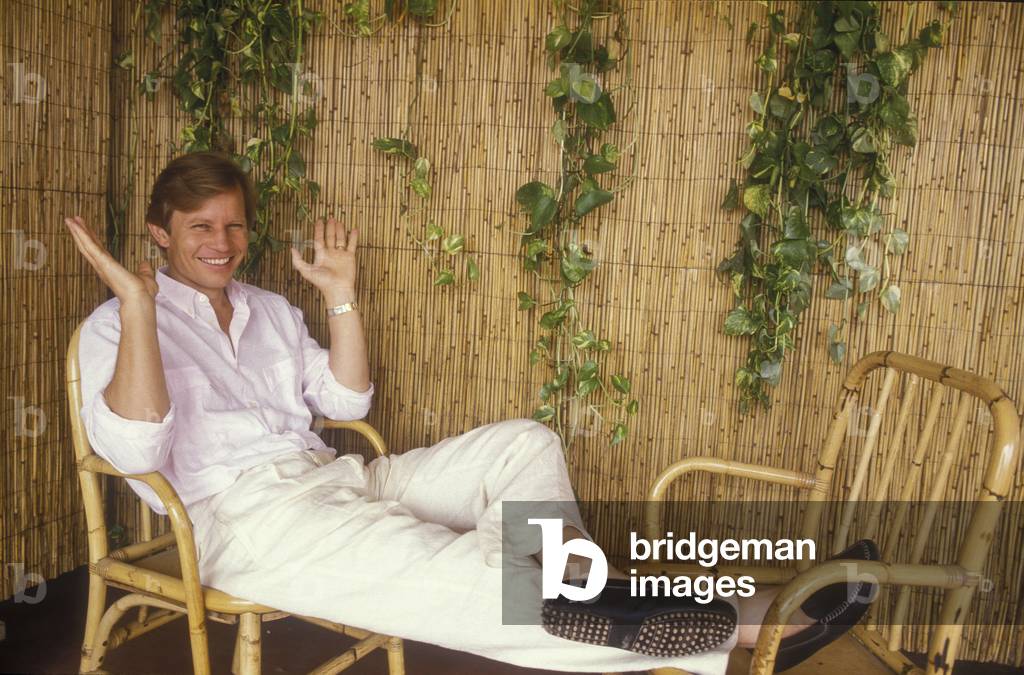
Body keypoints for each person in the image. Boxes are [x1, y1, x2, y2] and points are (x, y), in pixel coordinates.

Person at [67, 152, 876, 674]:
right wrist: (139, 306)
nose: (222, 240)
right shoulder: (112, 326)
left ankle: (571, 589)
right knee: (482, 576)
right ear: (158, 235)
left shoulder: (269, 308)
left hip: (344, 477)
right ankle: (737, 628)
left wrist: (341, 297)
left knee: (524, 445)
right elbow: (136, 448)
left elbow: (347, 402)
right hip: (252, 522)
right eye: (200, 227)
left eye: (234, 223)